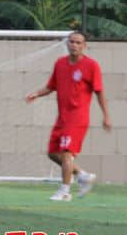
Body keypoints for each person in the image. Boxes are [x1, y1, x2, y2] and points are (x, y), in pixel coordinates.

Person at [25, 31, 111, 201]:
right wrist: (37, 93)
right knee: (52, 153)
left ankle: (64, 191)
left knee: (66, 153)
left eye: (78, 42)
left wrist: (106, 116)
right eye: (71, 42)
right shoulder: (60, 63)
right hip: (62, 117)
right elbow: (51, 86)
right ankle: (83, 176)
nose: (74, 45)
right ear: (67, 43)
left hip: (77, 117)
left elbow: (99, 91)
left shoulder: (91, 65)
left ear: (84, 46)